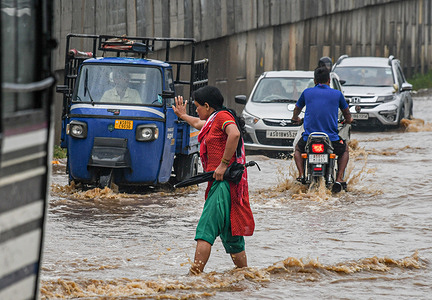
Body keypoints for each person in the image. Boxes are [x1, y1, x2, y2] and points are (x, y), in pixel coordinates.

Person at [172, 85, 255, 275]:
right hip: (228, 186)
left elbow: (234, 134)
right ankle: (246, 276)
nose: (197, 110)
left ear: (207, 106)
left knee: (205, 231)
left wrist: (223, 164)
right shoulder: (213, 120)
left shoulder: (222, 117)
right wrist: (183, 116)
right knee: (232, 236)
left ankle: (194, 277)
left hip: (223, 184)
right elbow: (199, 124)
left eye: (197, 107)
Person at [291, 67, 353, 192]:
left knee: (298, 149)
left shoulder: (307, 93)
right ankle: (339, 178)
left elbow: (297, 108)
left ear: (314, 81)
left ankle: (301, 174)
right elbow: (347, 113)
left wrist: (295, 117)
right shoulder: (337, 94)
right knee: (345, 150)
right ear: (329, 80)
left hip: (309, 138)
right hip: (331, 139)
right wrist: (348, 120)